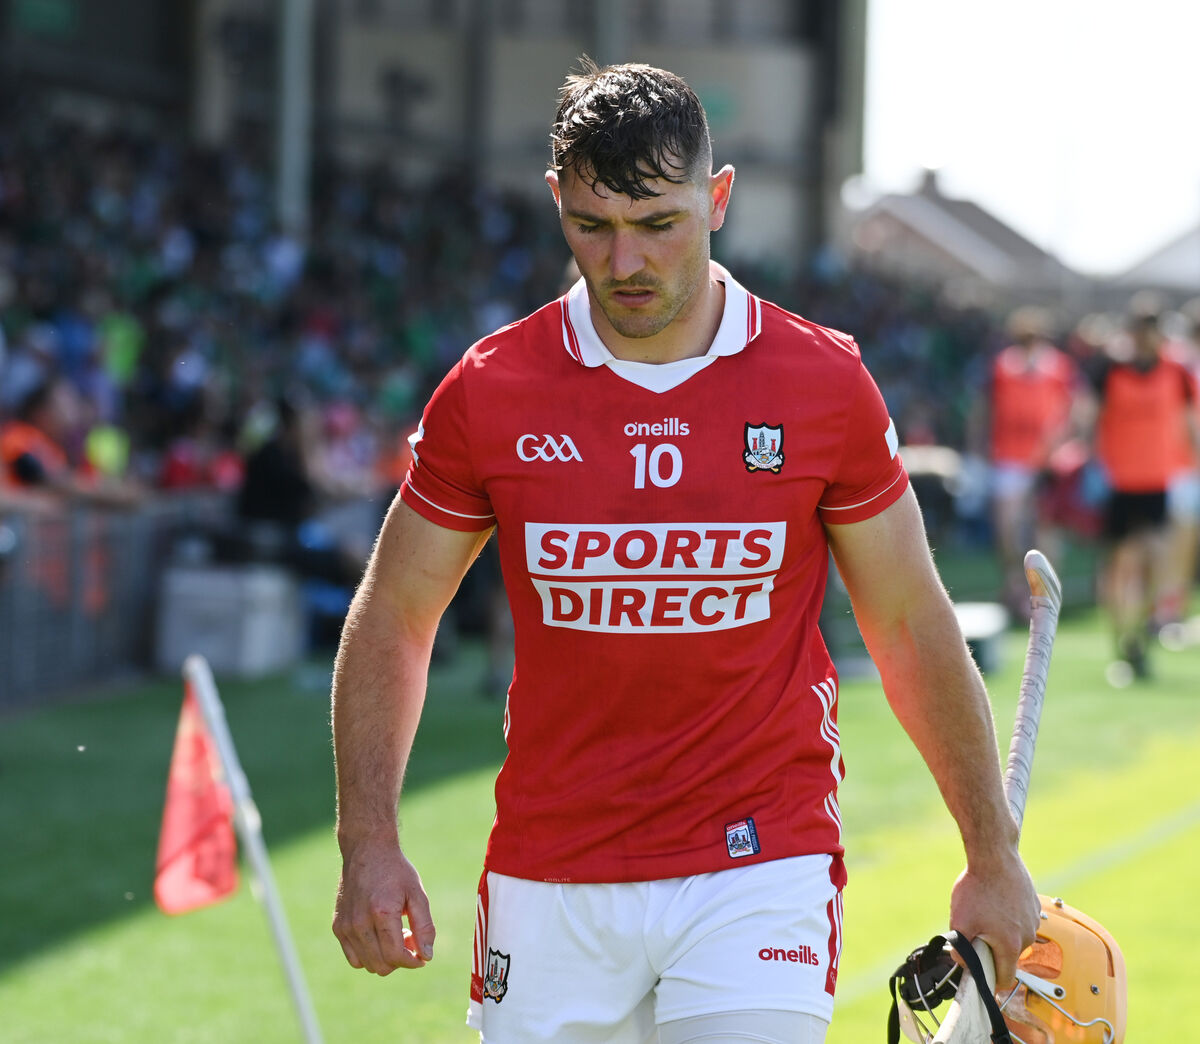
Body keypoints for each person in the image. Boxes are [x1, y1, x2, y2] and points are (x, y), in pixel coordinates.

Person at [331, 58, 1038, 1044]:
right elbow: (396, 615)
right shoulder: (490, 389)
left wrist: (990, 853)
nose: (625, 261)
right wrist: (367, 839)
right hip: (551, 869)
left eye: (659, 223)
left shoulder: (822, 382)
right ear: (556, 200)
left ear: (719, 199)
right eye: (593, 225)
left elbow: (910, 621)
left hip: (760, 861)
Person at [1084, 295, 1200, 679]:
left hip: (1157, 481)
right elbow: (1089, 417)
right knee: (1120, 564)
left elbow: (1189, 425)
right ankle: (1121, 639)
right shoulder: (1110, 371)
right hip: (1118, 482)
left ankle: (1142, 635)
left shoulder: (1176, 373)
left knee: (1156, 560)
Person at [969, 306, 1081, 619]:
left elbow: (1072, 408)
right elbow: (985, 407)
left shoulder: (1059, 366)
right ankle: (1014, 587)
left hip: (1046, 460)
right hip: (1010, 455)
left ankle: (1046, 594)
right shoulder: (1001, 366)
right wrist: (977, 443)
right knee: (1008, 528)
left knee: (1047, 528)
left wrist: (1063, 443)